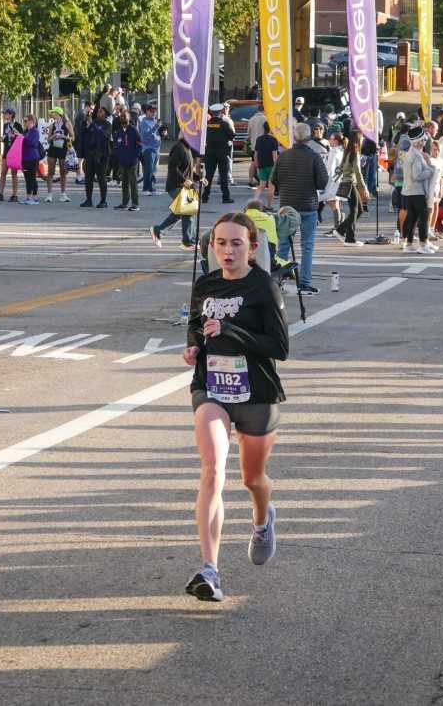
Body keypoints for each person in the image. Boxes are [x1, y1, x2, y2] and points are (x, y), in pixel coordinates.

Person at [182, 211, 289, 603]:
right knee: (212, 469)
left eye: (236, 244)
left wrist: (231, 330)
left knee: (252, 480)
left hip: (256, 393)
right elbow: (196, 325)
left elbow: (280, 348)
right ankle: (209, 570)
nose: (228, 251)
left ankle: (262, 520)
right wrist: (194, 345)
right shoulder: (205, 284)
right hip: (211, 387)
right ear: (212, 246)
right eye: (221, 243)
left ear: (252, 247)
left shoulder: (264, 286)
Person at [272, 123, 328, 294]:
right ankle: (304, 282)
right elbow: (322, 182)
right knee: (307, 246)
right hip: (307, 205)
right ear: (309, 138)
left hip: (287, 205)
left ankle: (278, 281)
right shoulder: (314, 157)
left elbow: (274, 179)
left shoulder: (283, 156)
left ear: (294, 137)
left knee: (283, 245)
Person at [150, 128, 201, 250]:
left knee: (180, 213)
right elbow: (173, 167)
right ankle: (188, 241)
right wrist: (184, 180)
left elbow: (188, 170)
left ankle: (158, 230)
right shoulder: (179, 148)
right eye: (192, 136)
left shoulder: (188, 148)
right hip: (176, 186)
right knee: (188, 210)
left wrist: (199, 178)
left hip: (185, 186)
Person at [399, 129, 436, 254]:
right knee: (423, 217)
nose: (425, 141)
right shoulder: (415, 155)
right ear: (419, 141)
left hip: (409, 190)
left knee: (412, 218)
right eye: (424, 139)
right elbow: (417, 175)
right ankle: (423, 244)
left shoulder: (413, 153)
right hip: (416, 191)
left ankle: (409, 244)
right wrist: (431, 170)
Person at [334, 131, 370, 247]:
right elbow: (358, 172)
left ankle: (347, 235)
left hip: (347, 182)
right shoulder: (355, 152)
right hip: (350, 183)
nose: (363, 140)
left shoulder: (348, 151)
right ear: (358, 139)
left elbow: (341, 168)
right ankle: (344, 233)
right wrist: (364, 188)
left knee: (358, 210)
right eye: (362, 138)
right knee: (355, 210)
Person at [201, 103, 235, 204]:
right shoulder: (224, 124)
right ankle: (225, 197)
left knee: (208, 175)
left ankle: (205, 197)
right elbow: (232, 136)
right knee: (223, 175)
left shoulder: (207, 124)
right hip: (222, 153)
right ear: (220, 112)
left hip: (209, 153)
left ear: (211, 112)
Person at [79, 106, 112, 208]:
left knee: (101, 178)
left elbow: (105, 135)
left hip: (102, 155)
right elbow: (83, 133)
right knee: (88, 178)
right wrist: (85, 123)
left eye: (101, 112)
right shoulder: (93, 123)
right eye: (98, 111)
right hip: (90, 154)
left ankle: (103, 201)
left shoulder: (107, 125)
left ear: (105, 114)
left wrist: (93, 125)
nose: (98, 113)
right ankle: (88, 200)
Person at [113, 109, 142, 211]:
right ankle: (124, 203)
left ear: (129, 118)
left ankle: (135, 204)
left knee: (133, 184)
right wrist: (119, 156)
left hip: (132, 163)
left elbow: (140, 145)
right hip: (122, 162)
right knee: (124, 183)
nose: (123, 118)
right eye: (121, 116)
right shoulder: (118, 132)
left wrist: (134, 157)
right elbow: (116, 146)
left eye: (125, 116)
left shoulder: (134, 131)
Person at [43, 107, 73, 202]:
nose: (51, 114)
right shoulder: (52, 125)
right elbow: (48, 140)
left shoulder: (67, 124)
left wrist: (63, 136)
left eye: (53, 113)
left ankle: (63, 194)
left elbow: (73, 137)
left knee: (63, 172)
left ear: (58, 114)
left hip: (63, 149)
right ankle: (49, 195)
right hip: (53, 149)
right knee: (50, 172)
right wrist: (53, 137)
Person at [0, 107, 22, 202]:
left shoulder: (18, 125)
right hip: (6, 151)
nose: (4, 115)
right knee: (3, 173)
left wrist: (14, 135)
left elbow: (21, 138)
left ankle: (14, 195)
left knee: (14, 173)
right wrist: (3, 139)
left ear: (11, 115)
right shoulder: (5, 125)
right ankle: (0, 193)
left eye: (6, 113)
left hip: (14, 152)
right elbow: (5, 137)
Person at [252, 121, 280, 208]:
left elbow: (256, 153)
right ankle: (269, 206)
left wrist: (256, 164)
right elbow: (274, 155)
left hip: (261, 164)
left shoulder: (259, 139)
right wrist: (277, 166)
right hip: (271, 165)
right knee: (271, 186)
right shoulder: (273, 140)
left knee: (261, 185)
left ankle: (253, 203)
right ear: (271, 129)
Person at [19, 113, 44, 205]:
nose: (24, 123)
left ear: (32, 121)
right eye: (24, 121)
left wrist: (22, 137)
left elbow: (31, 142)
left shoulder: (35, 131)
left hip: (32, 158)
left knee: (32, 177)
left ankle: (35, 197)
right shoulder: (26, 131)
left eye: (26, 121)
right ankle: (28, 196)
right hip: (25, 158)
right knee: (27, 178)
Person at [139, 102, 161, 196]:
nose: (153, 113)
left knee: (153, 170)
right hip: (148, 148)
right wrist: (156, 127)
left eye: (155, 111)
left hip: (156, 148)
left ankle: (152, 188)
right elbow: (144, 137)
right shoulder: (144, 122)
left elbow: (157, 133)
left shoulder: (155, 121)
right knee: (148, 170)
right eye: (151, 111)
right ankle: (146, 188)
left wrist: (162, 132)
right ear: (147, 111)